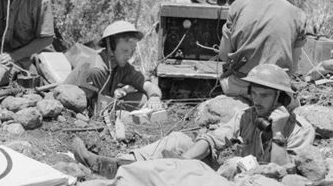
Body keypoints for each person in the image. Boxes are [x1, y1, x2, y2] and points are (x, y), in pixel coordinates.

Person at [73, 64, 315, 179]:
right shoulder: (248, 115)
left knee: (231, 164)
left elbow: (286, 176)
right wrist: (185, 159)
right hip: (231, 176)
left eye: (264, 96)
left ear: (281, 98)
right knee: (180, 139)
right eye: (254, 93)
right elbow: (214, 138)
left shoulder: (300, 131)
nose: (256, 100)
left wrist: (279, 135)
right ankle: (119, 165)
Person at [219, 0, 307, 98]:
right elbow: (293, 69)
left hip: (241, 87)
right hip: (275, 91)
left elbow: (224, 55)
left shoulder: (238, 6)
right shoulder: (298, 14)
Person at [65, 20, 163, 111]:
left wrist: (154, 97)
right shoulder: (96, 69)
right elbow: (99, 109)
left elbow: (146, 84)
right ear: (110, 46)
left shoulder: (122, 65)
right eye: (125, 50)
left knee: (143, 98)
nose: (129, 55)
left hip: (103, 103)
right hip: (77, 107)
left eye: (132, 50)